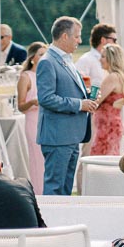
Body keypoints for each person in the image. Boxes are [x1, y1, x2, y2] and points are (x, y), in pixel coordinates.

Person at [36, 16, 95, 195]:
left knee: (66, 189)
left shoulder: (66, 59)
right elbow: (46, 98)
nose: (80, 40)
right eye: (77, 36)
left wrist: (88, 97)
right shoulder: (47, 61)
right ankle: (51, 222)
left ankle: (64, 221)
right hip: (57, 137)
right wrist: (79, 104)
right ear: (64, 36)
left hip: (70, 135)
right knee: (55, 188)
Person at [90, 43, 124, 156]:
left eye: (103, 56)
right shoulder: (121, 76)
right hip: (112, 124)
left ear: (111, 59)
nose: (100, 59)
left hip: (107, 126)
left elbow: (95, 101)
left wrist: (87, 92)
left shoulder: (112, 77)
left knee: (99, 157)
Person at [16, 42, 47, 183]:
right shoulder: (26, 77)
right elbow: (21, 106)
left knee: (46, 162)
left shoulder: (47, 76)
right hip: (33, 123)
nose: (44, 57)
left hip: (48, 123)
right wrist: (33, 102)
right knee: (37, 160)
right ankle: (38, 193)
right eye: (41, 54)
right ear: (32, 58)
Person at [76, 22, 117, 90]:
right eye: (114, 40)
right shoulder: (85, 60)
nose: (116, 43)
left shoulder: (113, 59)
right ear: (103, 40)